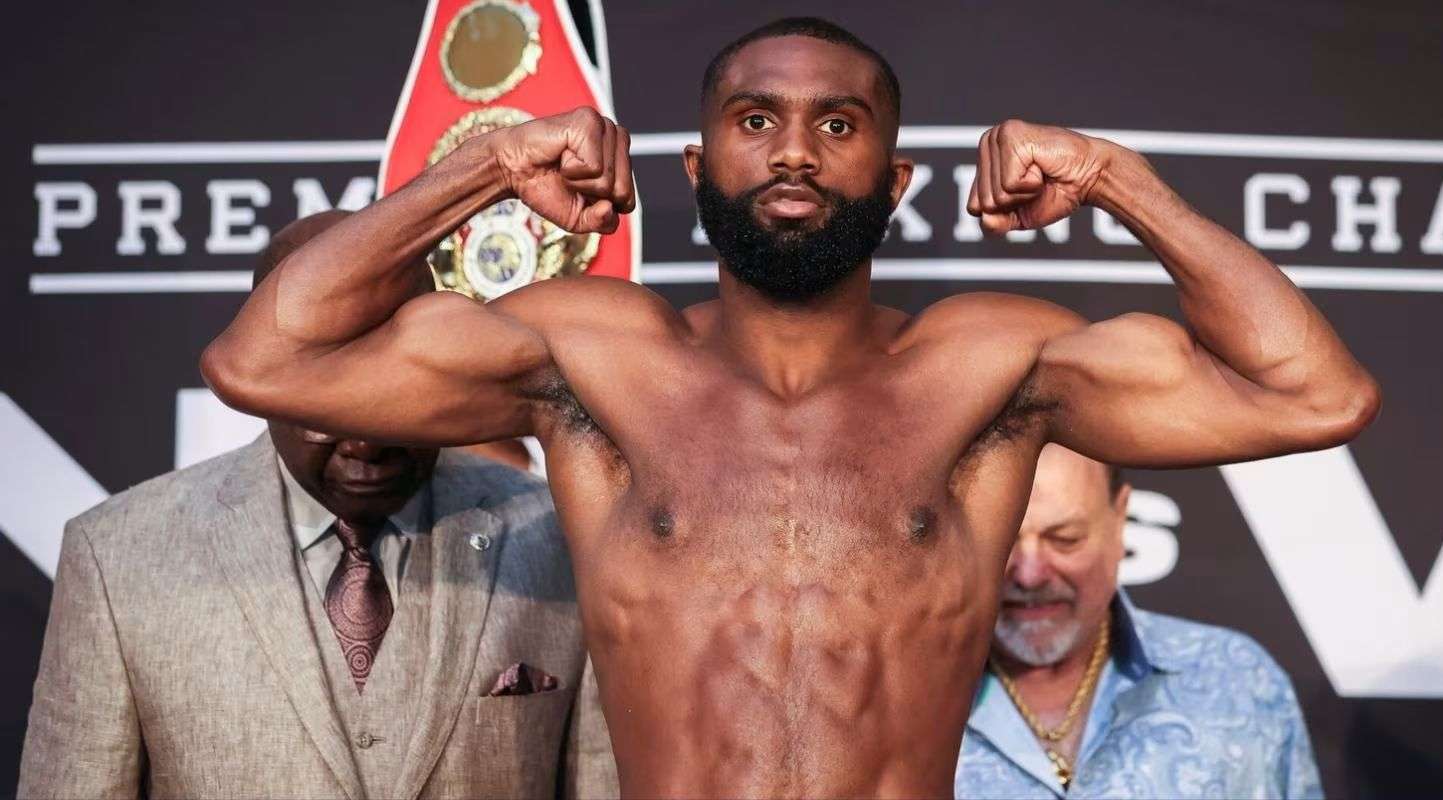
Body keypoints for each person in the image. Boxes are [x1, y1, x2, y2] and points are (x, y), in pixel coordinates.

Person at [199, 16, 1379, 798]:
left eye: (838, 124)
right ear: (696, 166)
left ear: (895, 178)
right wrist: (490, 162)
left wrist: (1116, 178)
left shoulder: (987, 367)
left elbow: (1314, 392)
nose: (796, 152)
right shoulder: (591, 355)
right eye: (756, 120)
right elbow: (266, 358)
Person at [18, 213, 616, 800]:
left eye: (394, 391)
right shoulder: (118, 557)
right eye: (327, 403)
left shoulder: (563, 537)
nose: (365, 441)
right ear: (264, 379)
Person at [956, 444, 1322, 799]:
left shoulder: (1235, 680)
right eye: (1001, 539)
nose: (1030, 574)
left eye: (1064, 539)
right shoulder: (922, 705)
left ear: (1120, 518)